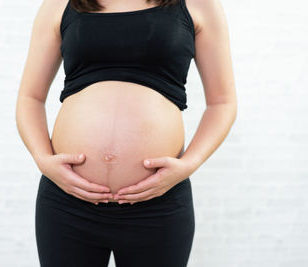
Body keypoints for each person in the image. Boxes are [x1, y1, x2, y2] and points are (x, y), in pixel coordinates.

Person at [16, 0, 237, 266]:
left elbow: (222, 103)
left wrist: (189, 164)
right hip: (68, 202)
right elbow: (30, 98)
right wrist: (43, 160)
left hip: (157, 205)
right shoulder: (62, 4)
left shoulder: (198, 4)